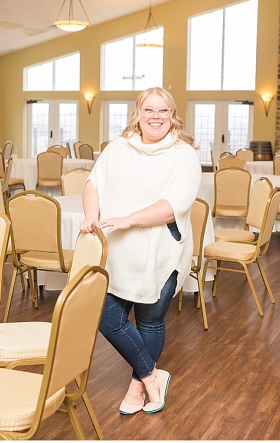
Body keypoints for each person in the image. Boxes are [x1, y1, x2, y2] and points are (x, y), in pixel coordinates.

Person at [80, 87, 201, 415]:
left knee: (150, 320)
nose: (156, 117)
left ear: (172, 115)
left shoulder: (183, 154)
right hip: (118, 255)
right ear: (138, 114)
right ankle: (151, 376)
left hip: (161, 253)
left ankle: (137, 386)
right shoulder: (119, 148)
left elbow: (173, 206)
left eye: (163, 111)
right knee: (108, 319)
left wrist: (129, 220)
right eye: (149, 110)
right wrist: (92, 214)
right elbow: (93, 183)